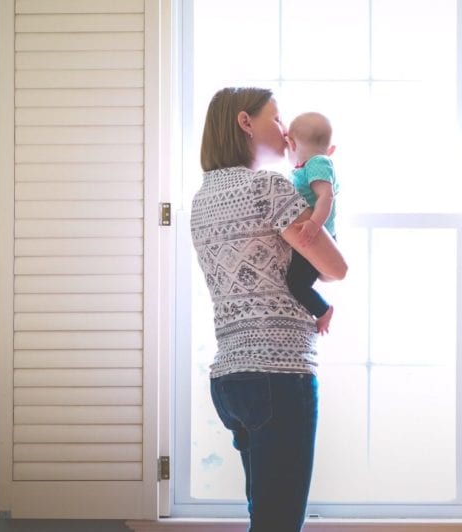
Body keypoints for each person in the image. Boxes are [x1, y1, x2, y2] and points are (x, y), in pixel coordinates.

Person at [190, 87, 347, 532]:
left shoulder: (201, 200)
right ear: (245, 122)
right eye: (276, 119)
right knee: (278, 523)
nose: (285, 129)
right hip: (278, 374)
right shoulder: (267, 186)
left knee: (264, 515)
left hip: (230, 378)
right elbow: (335, 268)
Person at [284, 112, 339, 335]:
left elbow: (326, 196)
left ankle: (323, 310)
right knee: (294, 279)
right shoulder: (307, 167)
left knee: (296, 283)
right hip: (312, 233)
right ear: (330, 148)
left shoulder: (317, 163)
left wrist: (314, 224)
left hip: (317, 235)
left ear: (291, 144)